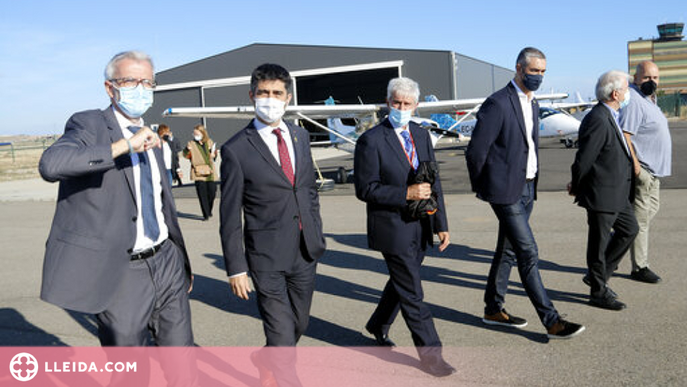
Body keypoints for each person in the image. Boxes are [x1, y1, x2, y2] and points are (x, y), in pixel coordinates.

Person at [38, 51, 195, 348]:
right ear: (110, 88)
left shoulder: (151, 135)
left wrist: (178, 259)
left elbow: (161, 204)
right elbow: (51, 164)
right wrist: (123, 146)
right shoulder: (89, 125)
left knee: (182, 361)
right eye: (131, 81)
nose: (141, 89)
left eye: (147, 83)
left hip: (165, 261)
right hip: (122, 271)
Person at [466, 47, 585, 339]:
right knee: (528, 252)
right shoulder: (498, 103)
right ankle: (552, 320)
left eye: (543, 72)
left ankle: (493, 309)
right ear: (519, 69)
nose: (539, 77)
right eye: (534, 71)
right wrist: (486, 188)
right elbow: (476, 151)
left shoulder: (532, 103)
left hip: (528, 188)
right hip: (504, 193)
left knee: (507, 250)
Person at [219, 63, 326, 386]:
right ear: (251, 96)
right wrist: (235, 267)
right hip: (266, 258)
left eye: (277, 93)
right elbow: (229, 215)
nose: (270, 99)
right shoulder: (236, 149)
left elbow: (306, 189)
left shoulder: (300, 135)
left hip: (305, 251)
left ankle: (264, 359)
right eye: (263, 93)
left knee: (299, 324)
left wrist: (315, 229)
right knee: (281, 335)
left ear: (288, 97)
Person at [354, 77, 455, 377]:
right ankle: (431, 354)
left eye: (406, 104)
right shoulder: (371, 140)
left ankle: (378, 324)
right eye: (396, 103)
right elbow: (365, 189)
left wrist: (441, 223)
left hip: (420, 225)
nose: (400, 108)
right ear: (388, 103)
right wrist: (405, 194)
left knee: (401, 284)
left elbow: (432, 181)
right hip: (392, 228)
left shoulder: (421, 135)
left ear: (416, 106)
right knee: (413, 292)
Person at [570, 70, 639, 310]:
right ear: (615, 93)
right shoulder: (598, 118)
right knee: (598, 245)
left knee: (630, 230)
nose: (628, 93)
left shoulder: (613, 115)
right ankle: (598, 292)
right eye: (626, 89)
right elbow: (585, 158)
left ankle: (597, 275)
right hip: (601, 193)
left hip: (618, 193)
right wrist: (577, 184)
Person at [619, 61, 671, 284]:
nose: (652, 82)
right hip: (644, 170)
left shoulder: (649, 100)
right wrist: (637, 166)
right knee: (641, 221)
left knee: (650, 212)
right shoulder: (634, 102)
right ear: (636, 78)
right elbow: (625, 134)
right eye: (647, 77)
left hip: (655, 170)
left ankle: (622, 234)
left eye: (655, 78)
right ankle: (640, 267)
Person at [184, 124, 217, 220]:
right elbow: (186, 155)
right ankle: (205, 214)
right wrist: (187, 149)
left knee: (212, 191)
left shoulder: (209, 142)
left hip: (209, 171)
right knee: (202, 193)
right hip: (198, 171)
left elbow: (214, 153)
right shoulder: (191, 143)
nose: (195, 135)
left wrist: (214, 154)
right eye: (194, 133)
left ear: (202, 133)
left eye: (197, 133)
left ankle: (209, 209)